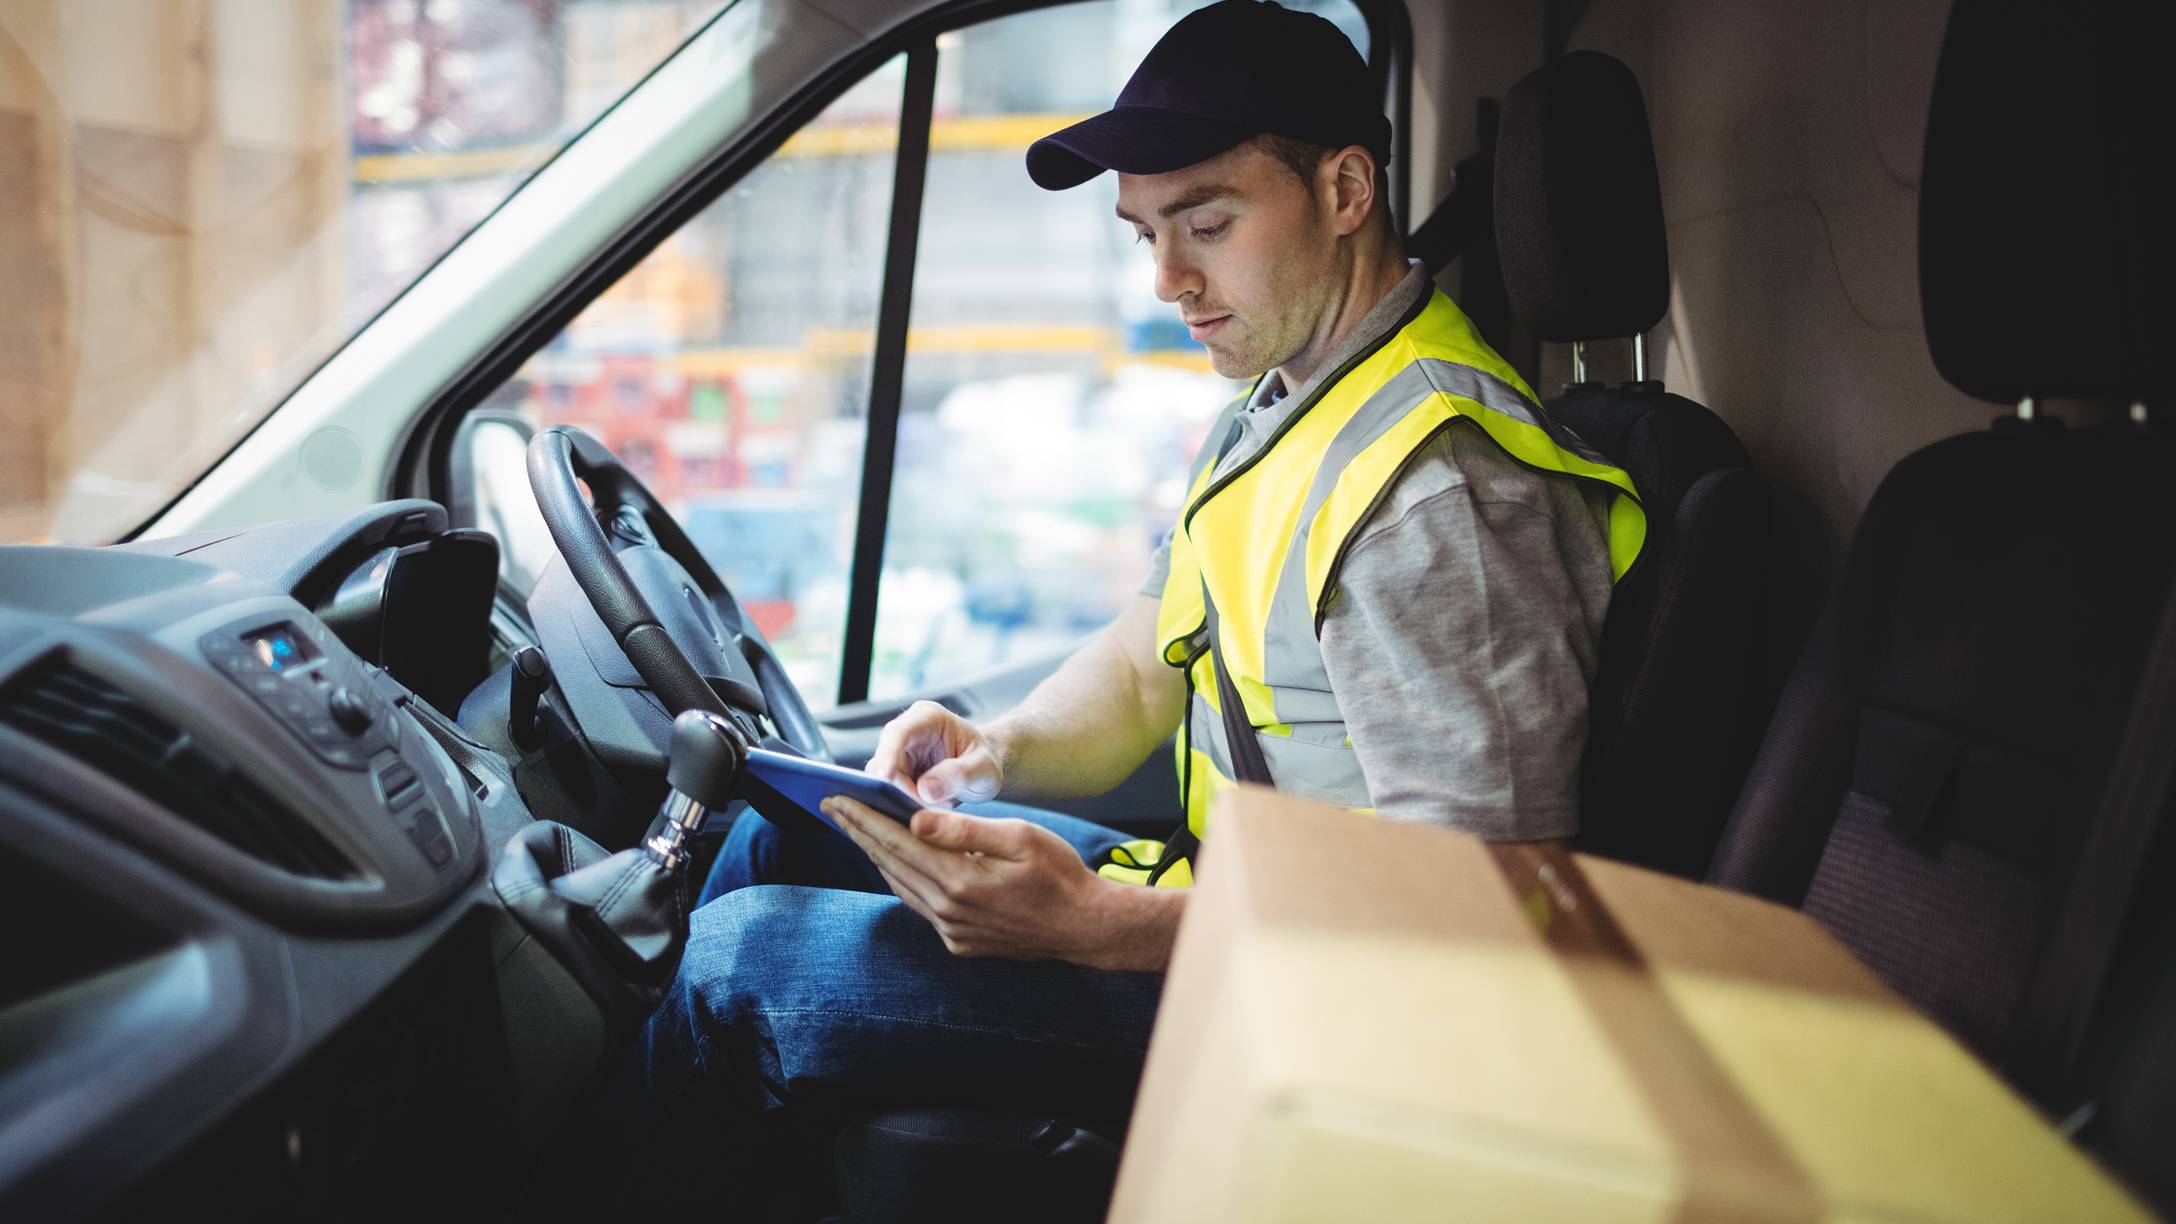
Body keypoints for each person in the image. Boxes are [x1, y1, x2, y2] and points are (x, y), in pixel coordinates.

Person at [631, 0, 1643, 1207]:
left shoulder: (1437, 494)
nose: (1168, 279)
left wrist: (1096, 926)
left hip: (1336, 1023)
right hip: (1228, 912)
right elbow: (1143, 660)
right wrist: (989, 750)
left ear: (1346, 190)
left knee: (741, 966)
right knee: (784, 829)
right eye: (1143, 235)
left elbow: (1484, 912)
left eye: (1206, 223)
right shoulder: (1287, 406)